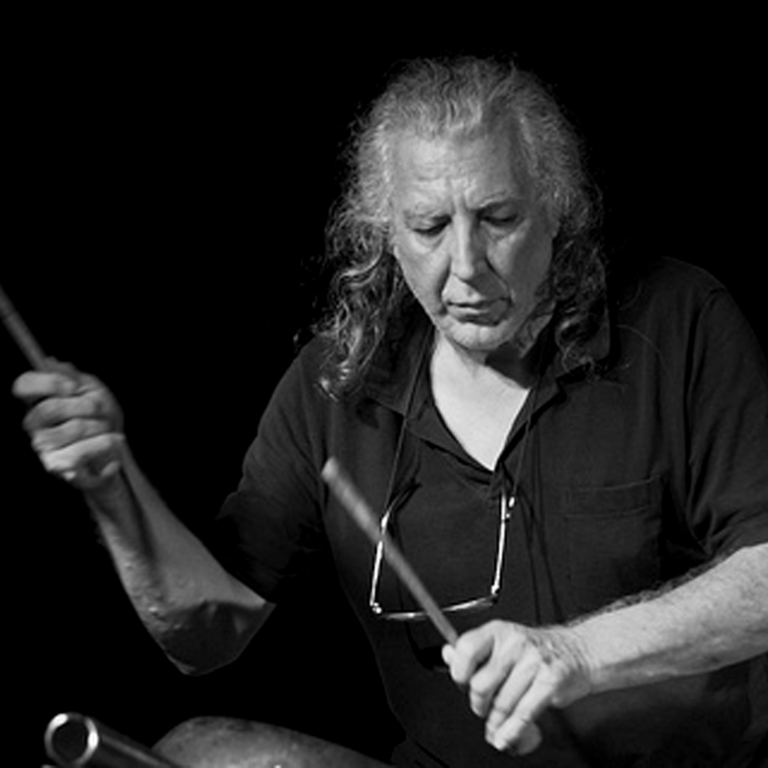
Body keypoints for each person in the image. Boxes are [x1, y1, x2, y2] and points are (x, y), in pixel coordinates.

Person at [14, 57, 768, 767]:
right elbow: (207, 636)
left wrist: (575, 653)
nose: (467, 266)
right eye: (430, 228)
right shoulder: (337, 383)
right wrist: (113, 488)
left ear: (554, 209)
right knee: (197, 748)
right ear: (386, 234)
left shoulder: (680, 322)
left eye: (498, 217)